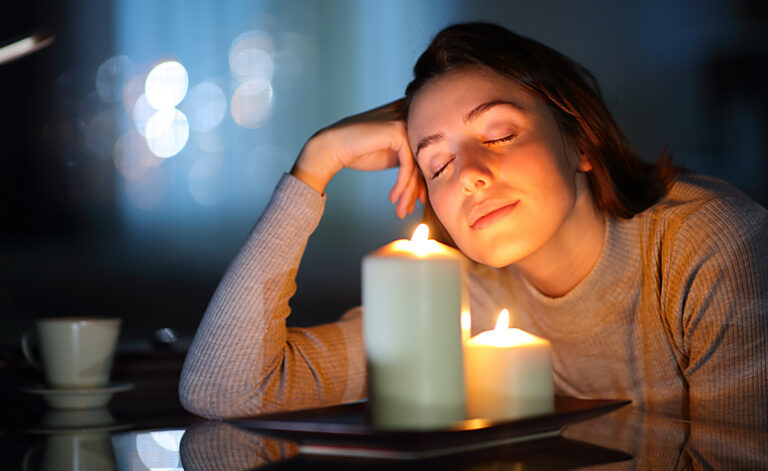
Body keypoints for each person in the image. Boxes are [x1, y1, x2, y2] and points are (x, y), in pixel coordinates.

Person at [179, 22, 768, 426]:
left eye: (500, 134)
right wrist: (315, 163)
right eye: (437, 164)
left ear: (581, 141)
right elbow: (226, 389)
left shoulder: (707, 245)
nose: (469, 177)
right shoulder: (459, 297)